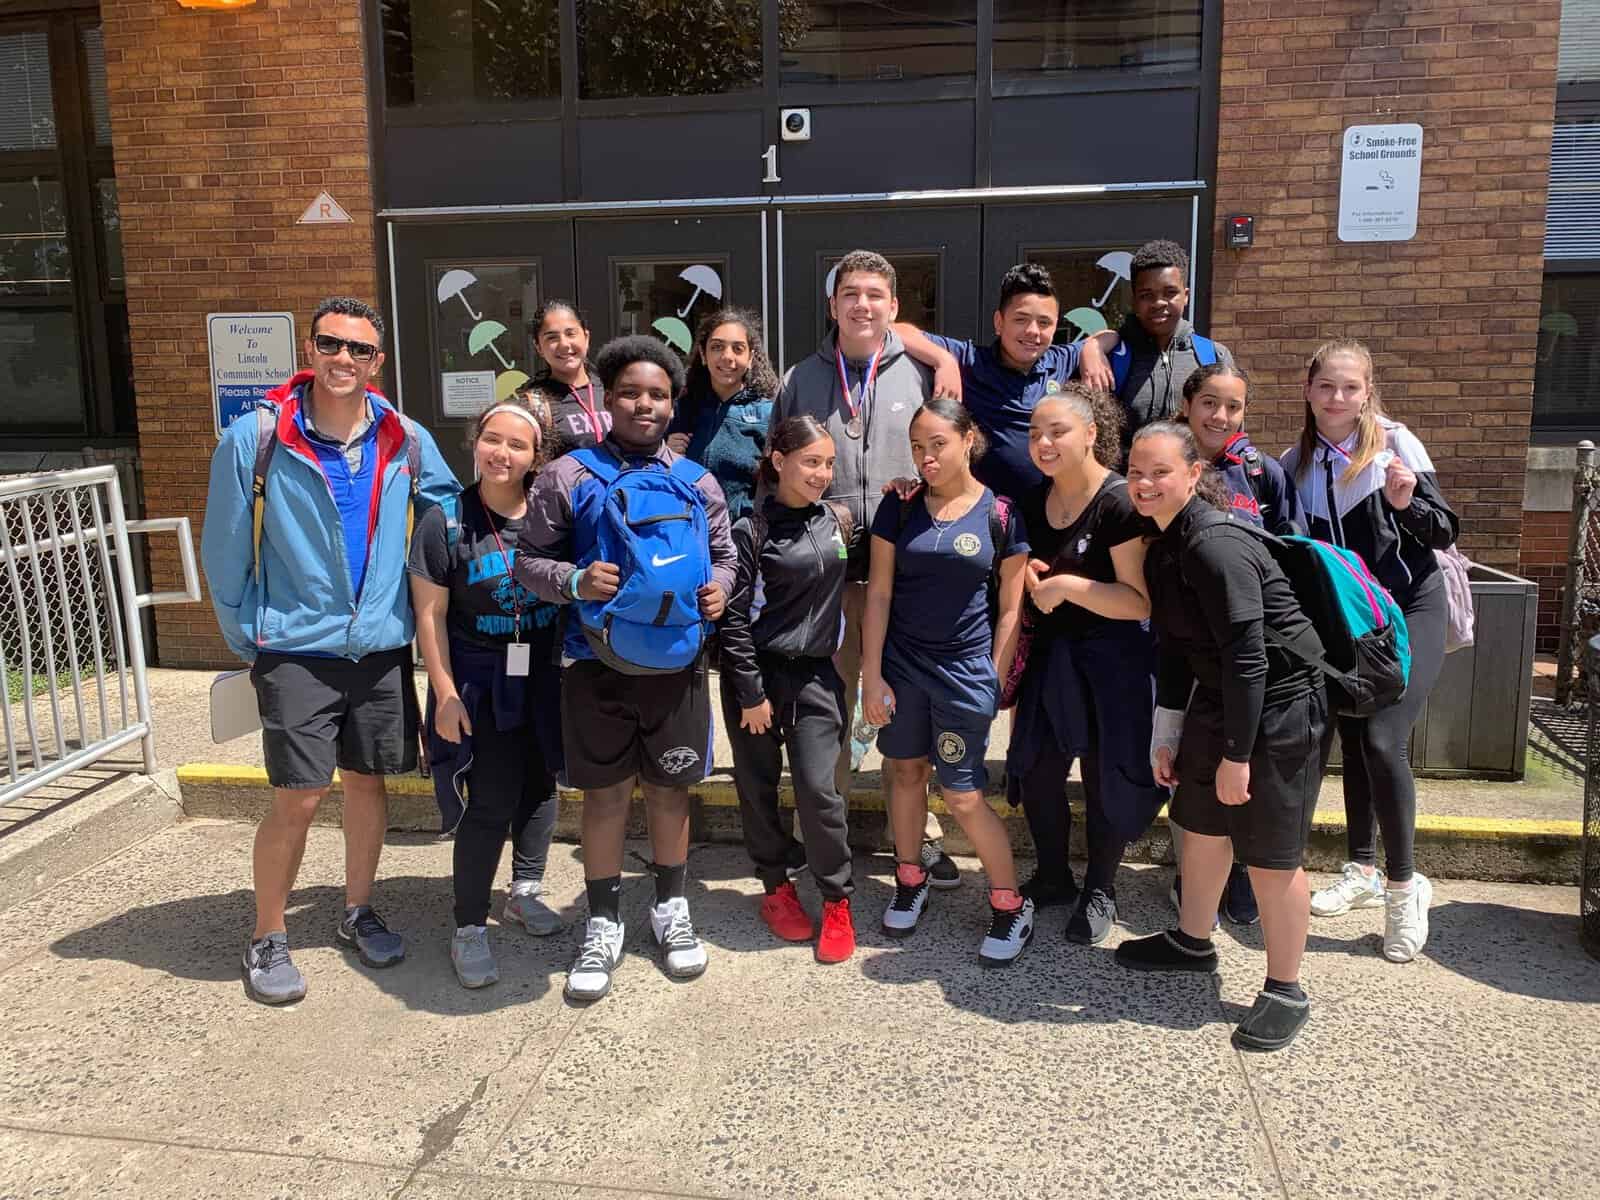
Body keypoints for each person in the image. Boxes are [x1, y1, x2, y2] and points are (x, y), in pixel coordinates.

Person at [200, 296, 459, 1005]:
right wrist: (249, 637)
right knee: (301, 795)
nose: (343, 358)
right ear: (311, 349)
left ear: (378, 362)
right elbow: (225, 552)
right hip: (294, 646)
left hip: (378, 646)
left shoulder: (404, 437)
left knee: (369, 784)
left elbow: (446, 509)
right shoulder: (256, 438)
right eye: (331, 344)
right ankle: (268, 934)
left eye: (359, 349)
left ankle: (356, 910)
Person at [515, 335, 736, 1002]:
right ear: (606, 399)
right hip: (594, 663)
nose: (645, 405)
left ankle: (671, 908)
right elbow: (528, 563)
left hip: (677, 662)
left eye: (658, 395)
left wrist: (722, 591)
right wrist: (575, 580)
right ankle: (604, 920)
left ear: (673, 403)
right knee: (606, 797)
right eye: (631, 393)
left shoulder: (697, 480)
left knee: (671, 792)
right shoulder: (568, 475)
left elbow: (725, 556)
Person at [1115, 422, 1332, 1053]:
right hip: (1222, 698)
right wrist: (1168, 732)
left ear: (1192, 474)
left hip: (1282, 706)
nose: (1145, 483)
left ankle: (1286, 988)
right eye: (1136, 472)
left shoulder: (1215, 545)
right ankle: (1192, 941)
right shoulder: (1164, 547)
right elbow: (1177, 648)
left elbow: (1249, 656)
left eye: (1160, 472)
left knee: (1270, 853)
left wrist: (1238, 755)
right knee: (1201, 824)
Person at [768, 249, 960, 887]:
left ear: (894, 306)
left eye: (875, 294)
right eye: (850, 293)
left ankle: (920, 834)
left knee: (906, 707)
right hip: (827, 580)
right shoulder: (801, 377)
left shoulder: (925, 373)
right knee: (828, 709)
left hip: (905, 578)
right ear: (833, 305)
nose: (862, 305)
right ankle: (819, 833)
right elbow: (778, 466)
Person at [1283, 339, 1459, 962]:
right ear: (1309, 390)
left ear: (1367, 393)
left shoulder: (1395, 444)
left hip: (1414, 607)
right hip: (1355, 621)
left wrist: (1406, 503)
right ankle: (1361, 869)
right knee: (1355, 735)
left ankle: (1405, 887)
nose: (1338, 398)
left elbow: (1445, 530)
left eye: (1350, 387)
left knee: (1384, 739)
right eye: (1326, 386)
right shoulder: (1295, 464)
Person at [862, 398, 1034, 966]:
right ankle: (910, 878)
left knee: (962, 795)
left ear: (968, 439)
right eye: (918, 447)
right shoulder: (898, 507)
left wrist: (993, 678)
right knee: (905, 774)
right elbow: (879, 593)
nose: (927, 457)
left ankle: (1010, 905)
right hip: (903, 667)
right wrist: (872, 675)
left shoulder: (1001, 514)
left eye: (938, 443)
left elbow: (1010, 609)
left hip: (963, 674)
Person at [408, 399, 563, 988]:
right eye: (492, 439)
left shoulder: (551, 516)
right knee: (491, 800)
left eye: (517, 445)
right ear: (475, 442)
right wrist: (444, 692)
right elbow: (430, 617)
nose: (502, 453)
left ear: (536, 456)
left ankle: (524, 891)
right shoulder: (445, 520)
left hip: (544, 675)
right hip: (479, 680)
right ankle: (469, 925)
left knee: (541, 785)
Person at [1007, 385, 1165, 945]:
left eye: (1058, 431)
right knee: (1037, 771)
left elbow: (1138, 601)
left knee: (1105, 778)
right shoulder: (1033, 499)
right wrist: (1031, 576)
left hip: (1112, 663)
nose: (1044, 443)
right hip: (1051, 658)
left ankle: (1101, 887)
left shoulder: (1119, 502)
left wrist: (1068, 586)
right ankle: (1053, 875)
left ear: (1092, 433)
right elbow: (1026, 570)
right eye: (1035, 433)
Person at [1167, 361, 1306, 926]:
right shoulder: (1165, 463)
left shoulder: (1261, 472)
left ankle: (1244, 869)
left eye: (1234, 406)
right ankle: (1192, 874)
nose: (1221, 416)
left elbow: (1295, 546)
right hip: (1191, 640)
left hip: (1251, 638)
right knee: (1192, 763)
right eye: (1209, 403)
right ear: (1187, 406)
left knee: (1246, 762)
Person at [720, 416, 858, 963]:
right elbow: (732, 619)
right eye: (811, 462)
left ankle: (837, 901)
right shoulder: (750, 530)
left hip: (817, 678)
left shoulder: (839, 521)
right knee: (758, 787)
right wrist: (751, 694)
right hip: (757, 676)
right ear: (779, 462)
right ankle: (776, 887)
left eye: (829, 464)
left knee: (819, 790)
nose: (822, 474)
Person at [891, 261, 1117, 502]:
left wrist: (1092, 348)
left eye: (1044, 322)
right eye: (1021, 319)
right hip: (988, 515)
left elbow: (1112, 335)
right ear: (999, 322)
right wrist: (943, 360)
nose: (1033, 331)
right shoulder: (970, 360)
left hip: (1053, 512)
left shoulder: (1061, 360)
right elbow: (895, 329)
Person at [1110, 239, 1236, 465]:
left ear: (1185, 295)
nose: (1159, 303)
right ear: (1134, 299)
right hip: (1132, 482)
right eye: (1146, 295)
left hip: (1200, 482)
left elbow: (1232, 433)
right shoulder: (1114, 357)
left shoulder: (1213, 357)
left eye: (1170, 293)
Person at [666, 308, 778, 524]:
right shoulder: (680, 409)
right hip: (687, 530)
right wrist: (666, 452)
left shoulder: (767, 414)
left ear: (750, 357)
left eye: (738, 348)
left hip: (741, 533)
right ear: (703, 354)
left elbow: (777, 484)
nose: (727, 357)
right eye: (717, 347)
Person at [526, 300, 610, 459]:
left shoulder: (612, 388)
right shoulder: (534, 405)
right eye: (552, 337)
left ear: (586, 337)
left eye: (571, 334)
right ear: (538, 347)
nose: (564, 344)